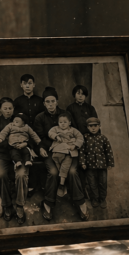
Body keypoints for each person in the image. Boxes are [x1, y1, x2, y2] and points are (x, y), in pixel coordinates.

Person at [33, 88, 89, 222]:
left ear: (57, 102)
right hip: (51, 151)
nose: (51, 104)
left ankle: (80, 202)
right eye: (48, 102)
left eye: (53, 101)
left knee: (73, 171)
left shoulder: (66, 114)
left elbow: (76, 132)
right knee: (52, 171)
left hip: (69, 151)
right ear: (44, 103)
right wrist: (40, 148)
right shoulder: (40, 117)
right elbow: (37, 138)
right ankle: (48, 203)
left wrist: (73, 145)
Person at [0, 99, 19, 222]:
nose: (8, 111)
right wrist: (9, 144)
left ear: (13, 109)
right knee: (1, 175)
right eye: (5, 108)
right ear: (0, 109)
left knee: (21, 174)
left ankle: (20, 206)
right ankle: (7, 206)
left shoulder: (18, 121)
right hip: (0, 154)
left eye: (10, 108)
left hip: (17, 155)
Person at [80, 116, 114, 209]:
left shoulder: (103, 138)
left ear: (99, 126)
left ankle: (102, 199)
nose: (93, 128)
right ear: (87, 127)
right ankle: (94, 199)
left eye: (95, 125)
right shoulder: (85, 138)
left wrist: (110, 163)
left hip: (102, 166)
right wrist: (83, 162)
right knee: (92, 183)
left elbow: (108, 151)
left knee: (102, 183)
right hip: (90, 166)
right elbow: (82, 151)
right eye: (91, 126)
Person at [48, 113, 84, 198]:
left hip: (68, 151)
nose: (62, 124)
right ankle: (62, 181)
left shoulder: (73, 130)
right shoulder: (56, 129)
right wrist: (56, 137)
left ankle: (61, 184)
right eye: (60, 122)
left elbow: (80, 138)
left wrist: (74, 145)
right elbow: (50, 132)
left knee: (65, 167)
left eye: (65, 122)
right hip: (57, 150)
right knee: (57, 165)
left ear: (69, 123)